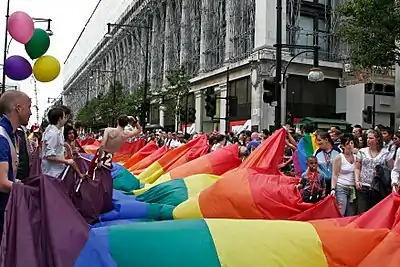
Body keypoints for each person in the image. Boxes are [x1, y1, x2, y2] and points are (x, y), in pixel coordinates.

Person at [0, 90, 32, 240]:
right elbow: (2, 183)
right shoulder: (2, 138)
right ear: (18, 108)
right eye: (29, 107)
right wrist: (29, 190)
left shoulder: (11, 135)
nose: (31, 112)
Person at [42, 107, 75, 178]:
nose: (66, 119)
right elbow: (49, 156)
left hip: (57, 170)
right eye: (64, 117)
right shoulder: (53, 134)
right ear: (60, 119)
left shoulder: (57, 131)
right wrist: (66, 161)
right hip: (52, 173)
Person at [331, 134, 357, 216]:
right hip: (341, 187)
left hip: (352, 188)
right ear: (342, 145)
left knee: (351, 213)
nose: (350, 146)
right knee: (341, 211)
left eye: (352, 143)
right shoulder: (339, 157)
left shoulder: (357, 157)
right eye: (347, 144)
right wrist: (333, 189)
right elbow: (335, 174)